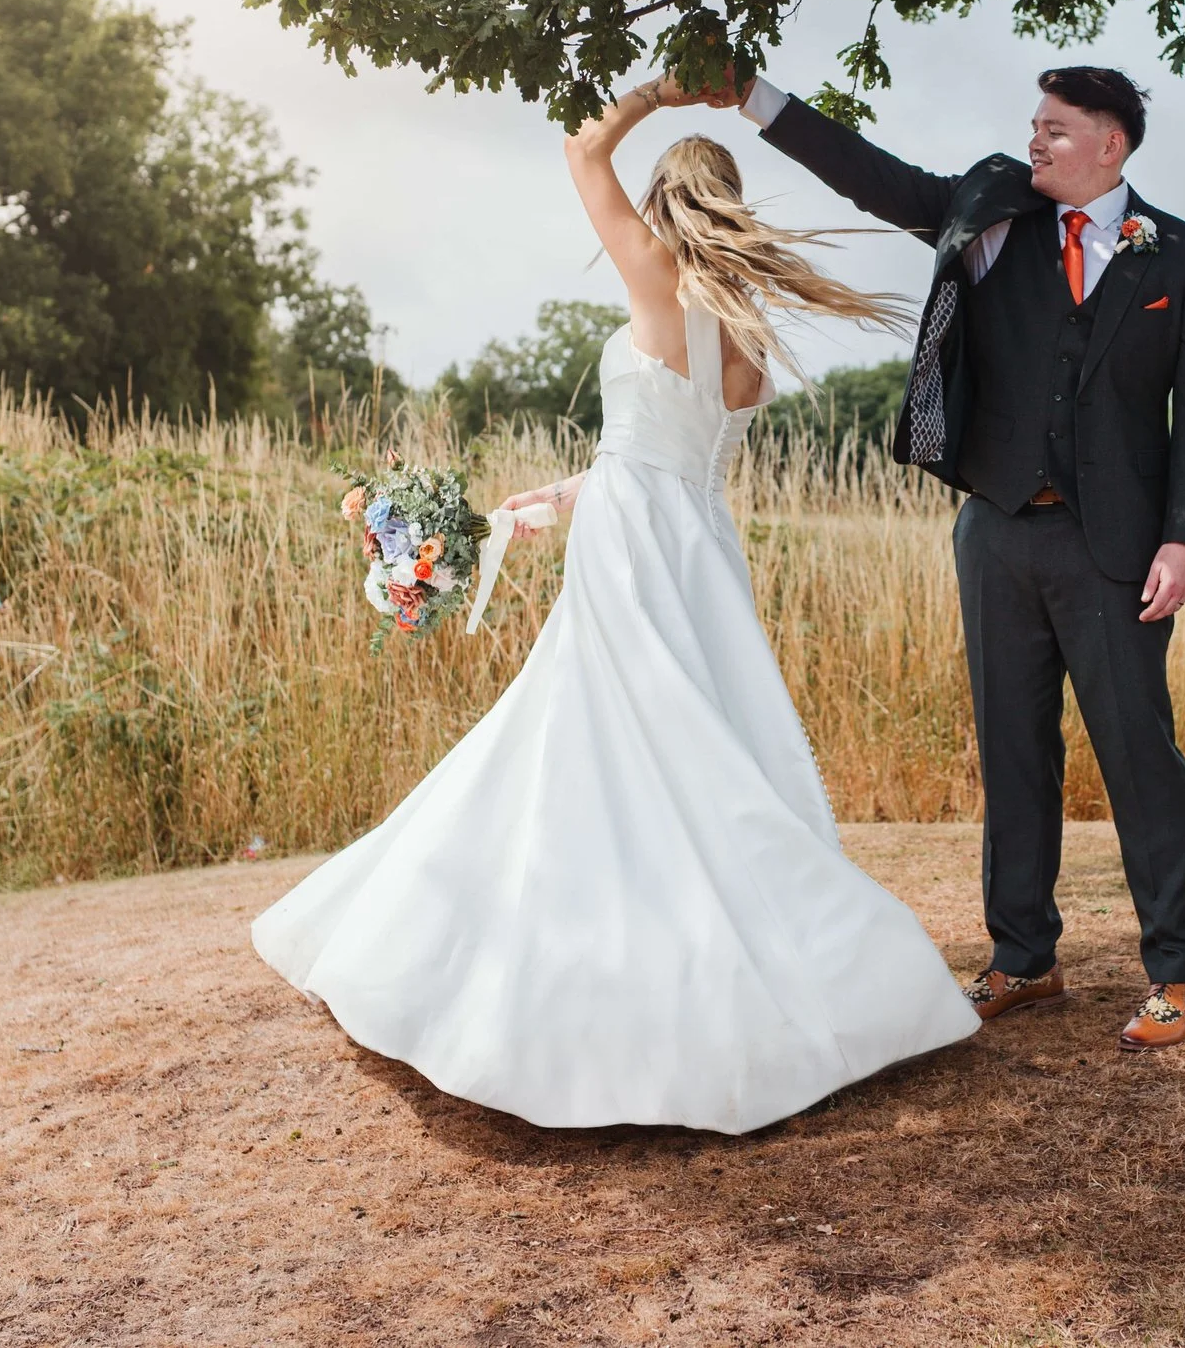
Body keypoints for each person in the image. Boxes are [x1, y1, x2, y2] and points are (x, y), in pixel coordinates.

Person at [250, 76, 980, 1134]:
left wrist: (664, 89)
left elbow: (579, 151)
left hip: (638, 544)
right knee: (686, 744)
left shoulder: (656, 284)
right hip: (691, 540)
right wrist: (559, 491)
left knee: (598, 734)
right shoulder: (749, 339)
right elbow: (666, 455)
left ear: (663, 206)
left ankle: (548, 965)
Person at [675, 65, 1185, 1051]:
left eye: (1055, 129)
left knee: (1138, 754)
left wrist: (1184, 537)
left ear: (1110, 144)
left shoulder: (1182, 255)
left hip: (1115, 548)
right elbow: (873, 176)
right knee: (1012, 749)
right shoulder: (988, 209)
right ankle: (1023, 959)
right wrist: (754, 98)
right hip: (997, 528)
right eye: (1033, 124)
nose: (1035, 141)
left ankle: (1179, 971)